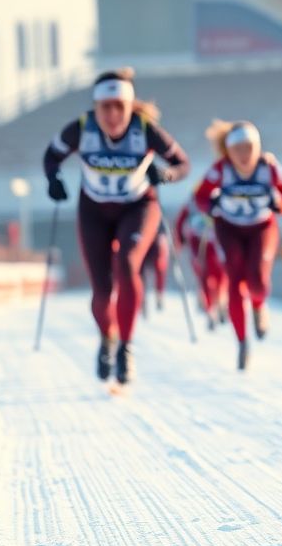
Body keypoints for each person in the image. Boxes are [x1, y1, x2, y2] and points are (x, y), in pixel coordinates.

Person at [41, 68, 190, 387]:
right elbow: (51, 157)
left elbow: (183, 164)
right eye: (105, 107)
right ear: (96, 107)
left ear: (130, 106)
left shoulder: (146, 130)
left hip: (138, 206)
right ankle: (106, 339)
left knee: (127, 264)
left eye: (119, 106)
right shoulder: (81, 128)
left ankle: (125, 346)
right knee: (102, 289)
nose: (112, 114)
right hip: (94, 209)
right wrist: (53, 180)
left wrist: (166, 175)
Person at [193, 121, 282, 370]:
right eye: (238, 148)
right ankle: (242, 342)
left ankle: (259, 306)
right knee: (234, 278)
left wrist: (278, 204)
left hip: (261, 227)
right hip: (228, 228)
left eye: (249, 147)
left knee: (258, 280)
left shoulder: (269, 167)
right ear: (229, 151)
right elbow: (200, 197)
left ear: (257, 147)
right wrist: (211, 204)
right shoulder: (220, 169)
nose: (244, 154)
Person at [174, 198, 228, 329]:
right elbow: (180, 223)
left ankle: (221, 301)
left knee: (221, 278)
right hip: (197, 244)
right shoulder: (191, 204)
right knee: (206, 279)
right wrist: (179, 243)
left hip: (216, 244)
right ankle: (210, 311)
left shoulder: (218, 200)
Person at [139, 224, 169, 315]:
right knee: (140, 272)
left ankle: (159, 295)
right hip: (143, 240)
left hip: (156, 241)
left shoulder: (160, 214)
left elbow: (164, 231)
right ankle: (142, 299)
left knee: (160, 266)